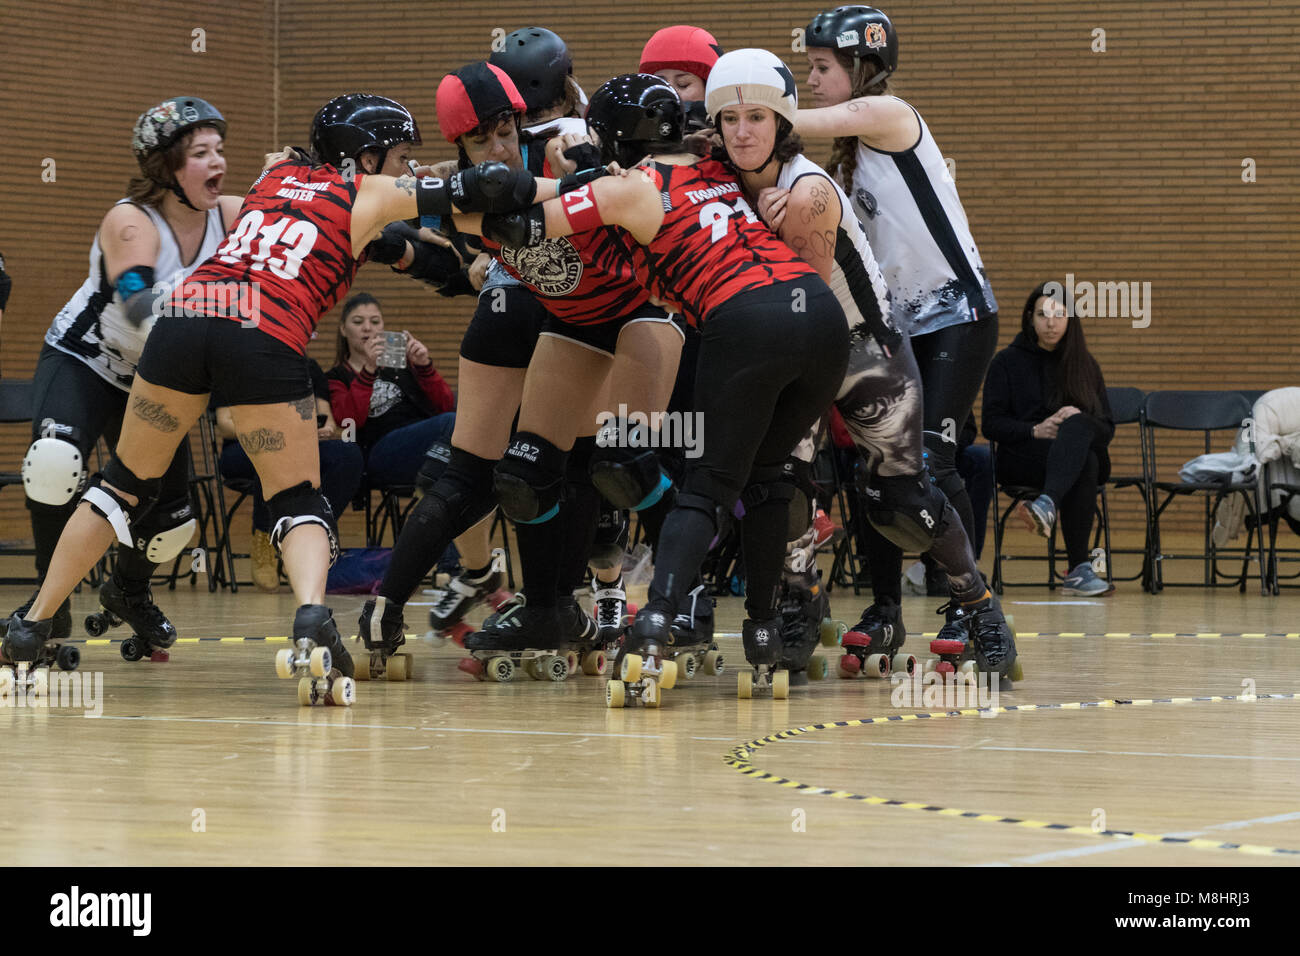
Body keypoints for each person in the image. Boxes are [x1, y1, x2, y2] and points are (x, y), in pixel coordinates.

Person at [2, 91, 541, 702]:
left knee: (127, 489)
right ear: (363, 159)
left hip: (181, 328)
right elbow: (485, 188)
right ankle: (312, 619)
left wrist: (436, 240)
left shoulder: (275, 177)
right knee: (294, 496)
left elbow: (387, 237)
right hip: (196, 342)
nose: (403, 169)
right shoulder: (360, 195)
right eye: (395, 157)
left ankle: (34, 624)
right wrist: (580, 194)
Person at [476, 73, 851, 687]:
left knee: (707, 488)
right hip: (819, 316)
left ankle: (656, 621)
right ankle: (761, 632)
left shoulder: (634, 186)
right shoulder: (716, 165)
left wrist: (443, 204)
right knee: (769, 475)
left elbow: (521, 227)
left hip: (747, 319)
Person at [708, 48, 1015, 678]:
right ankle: (799, 600)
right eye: (729, 118)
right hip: (793, 347)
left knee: (900, 500)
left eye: (757, 117)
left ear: (781, 123)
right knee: (776, 484)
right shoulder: (719, 186)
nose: (742, 131)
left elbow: (811, 317)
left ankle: (978, 606)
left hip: (861, 348)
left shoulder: (808, 191)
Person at [763, 5, 1000, 645]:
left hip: (957, 315)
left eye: (820, 67)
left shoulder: (893, 117)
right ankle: (886, 610)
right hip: (894, 329)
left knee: (931, 462)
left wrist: (750, 114)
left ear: (864, 68)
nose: (809, 79)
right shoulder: (838, 168)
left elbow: (821, 119)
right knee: (880, 467)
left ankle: (965, 602)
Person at [5, 97, 241, 656]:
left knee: (174, 524)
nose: (219, 163)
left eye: (220, 150)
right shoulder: (130, 220)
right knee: (55, 464)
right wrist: (231, 298)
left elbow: (313, 221)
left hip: (156, 380)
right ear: (166, 168)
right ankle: (48, 599)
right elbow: (138, 307)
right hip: (87, 360)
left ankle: (127, 592)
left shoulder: (231, 215)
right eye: (201, 153)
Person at [982, 284, 1115, 596]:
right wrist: (1035, 430)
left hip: (1073, 459)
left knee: (1081, 429)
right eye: (1043, 315)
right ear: (1030, 318)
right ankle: (1080, 570)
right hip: (1023, 458)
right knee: (1086, 462)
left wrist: (1075, 422)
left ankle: (1046, 504)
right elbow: (991, 424)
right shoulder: (1006, 362)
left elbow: (1107, 428)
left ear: (1070, 320)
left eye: (1058, 315)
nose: (1051, 323)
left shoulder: (1085, 365)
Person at [214, 359, 363, 592]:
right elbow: (224, 423)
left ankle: (308, 534)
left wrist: (323, 430)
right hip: (243, 450)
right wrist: (275, 432)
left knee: (347, 455)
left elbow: (327, 420)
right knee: (269, 444)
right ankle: (266, 539)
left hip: (300, 444)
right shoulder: (234, 363)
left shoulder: (308, 367)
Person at [326, 292, 456, 490]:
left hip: (422, 444)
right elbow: (349, 420)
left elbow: (445, 406)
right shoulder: (337, 377)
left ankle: (444, 484)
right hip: (379, 452)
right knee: (451, 423)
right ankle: (440, 486)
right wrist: (369, 370)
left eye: (375, 321)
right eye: (358, 322)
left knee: (463, 424)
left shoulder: (401, 366)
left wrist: (424, 366)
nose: (368, 328)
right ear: (344, 329)